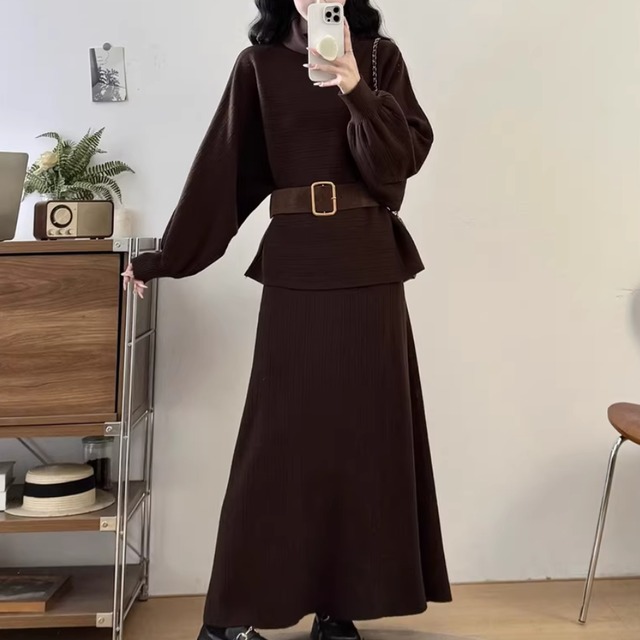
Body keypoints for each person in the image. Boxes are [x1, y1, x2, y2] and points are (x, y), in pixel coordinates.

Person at [123, 0, 452, 639]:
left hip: (369, 266)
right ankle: (230, 619)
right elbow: (224, 174)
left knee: (362, 442)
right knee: (277, 447)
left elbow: (396, 169)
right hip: (298, 263)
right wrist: (166, 257)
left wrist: (355, 88)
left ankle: (338, 607)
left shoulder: (379, 60)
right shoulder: (258, 66)